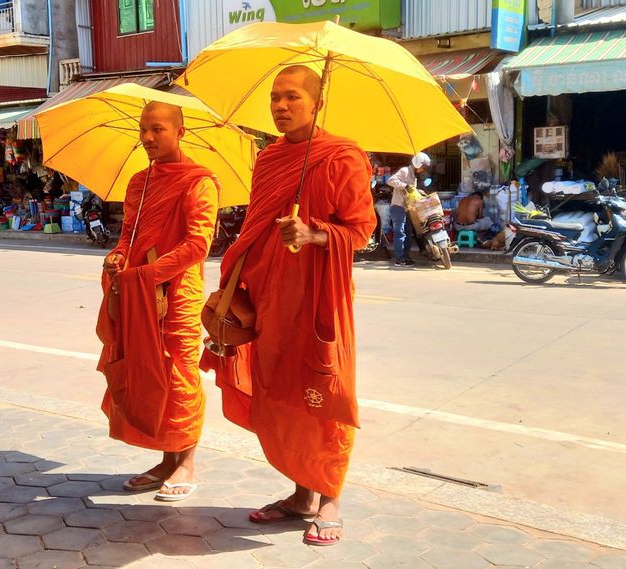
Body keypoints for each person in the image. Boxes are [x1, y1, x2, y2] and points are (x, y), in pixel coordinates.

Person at [201, 65, 376, 546]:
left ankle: (331, 498)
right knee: (280, 394)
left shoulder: (342, 156)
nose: (280, 106)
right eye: (275, 98)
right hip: (270, 296)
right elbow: (256, 226)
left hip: (320, 297)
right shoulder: (269, 159)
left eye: (292, 97)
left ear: (317, 103)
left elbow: (362, 231)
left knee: (324, 393)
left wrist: (314, 234)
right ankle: (302, 495)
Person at [97, 101, 219, 502]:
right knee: (146, 373)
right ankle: (166, 460)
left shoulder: (199, 181)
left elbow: (197, 245)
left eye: (158, 129)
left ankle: (185, 461)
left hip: (178, 295)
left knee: (179, 374)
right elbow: (129, 232)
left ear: (180, 132)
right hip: (138, 293)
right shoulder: (138, 182)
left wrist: (150, 275)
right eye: (143, 129)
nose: (148, 137)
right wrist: (117, 255)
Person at [387, 153, 431, 267]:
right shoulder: (405, 171)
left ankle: (405, 256)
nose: (423, 170)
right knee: (400, 233)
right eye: (423, 167)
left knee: (408, 233)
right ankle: (399, 259)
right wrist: (405, 185)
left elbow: (412, 191)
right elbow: (391, 180)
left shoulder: (414, 177)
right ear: (418, 164)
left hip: (407, 208)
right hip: (398, 206)